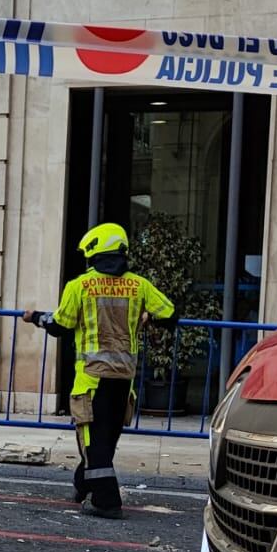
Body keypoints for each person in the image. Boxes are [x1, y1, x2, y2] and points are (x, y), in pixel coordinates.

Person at [23, 222, 175, 519]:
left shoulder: (79, 286)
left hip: (92, 379)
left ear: (94, 252)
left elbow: (60, 325)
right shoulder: (139, 285)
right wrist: (147, 318)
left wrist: (36, 318)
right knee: (105, 439)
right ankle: (83, 485)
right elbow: (170, 314)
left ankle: (107, 501)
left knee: (94, 441)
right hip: (123, 379)